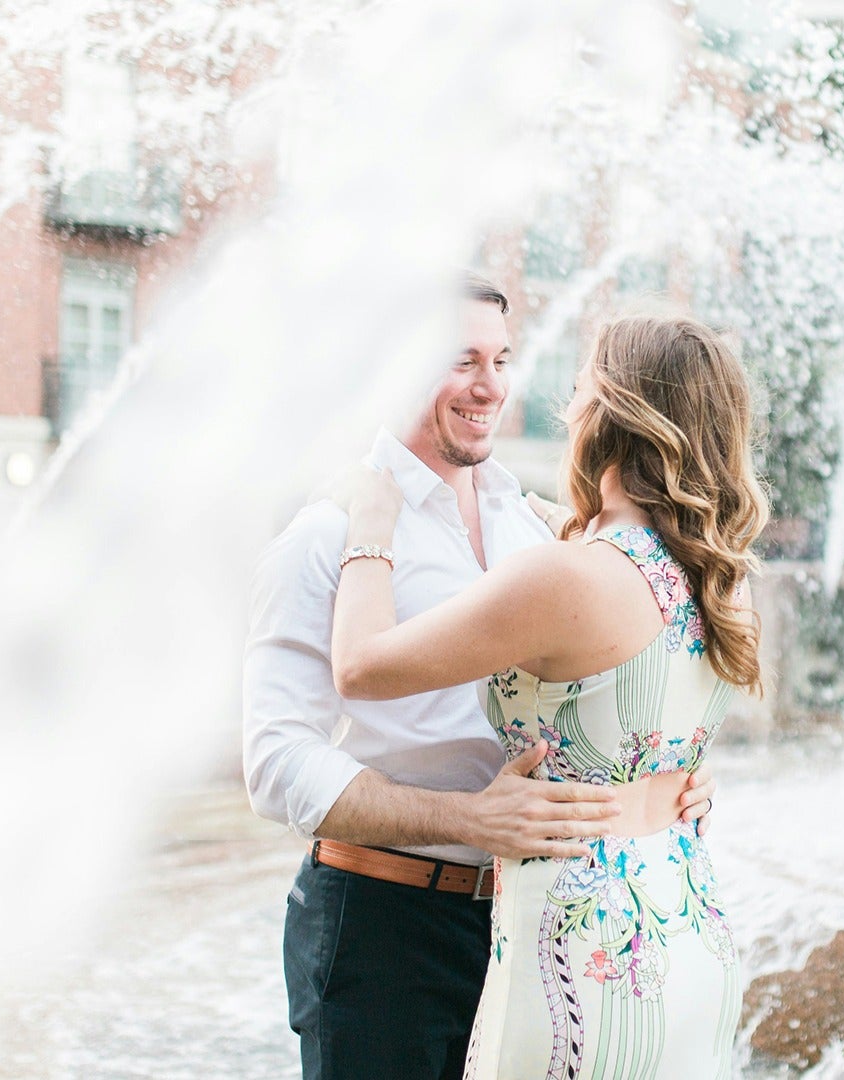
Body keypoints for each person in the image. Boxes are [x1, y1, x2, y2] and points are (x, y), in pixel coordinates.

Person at [242, 275, 720, 1080]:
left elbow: (604, 688)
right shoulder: (326, 536)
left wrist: (661, 777)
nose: (490, 385)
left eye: (501, 358)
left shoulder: (535, 530)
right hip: (385, 930)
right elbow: (275, 763)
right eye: (460, 360)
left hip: (531, 923)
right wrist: (468, 817)